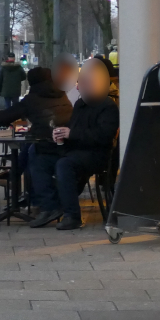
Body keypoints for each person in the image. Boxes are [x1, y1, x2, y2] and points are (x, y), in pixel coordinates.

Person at [28, 58, 119, 230]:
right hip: (76, 149)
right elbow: (74, 127)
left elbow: (103, 136)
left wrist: (72, 134)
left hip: (96, 154)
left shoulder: (108, 106)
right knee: (39, 158)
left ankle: (72, 215)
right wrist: (62, 133)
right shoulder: (80, 104)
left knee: (65, 165)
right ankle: (49, 206)